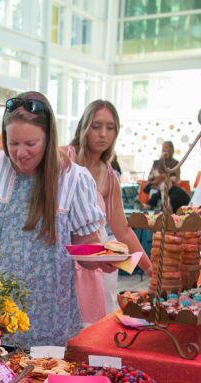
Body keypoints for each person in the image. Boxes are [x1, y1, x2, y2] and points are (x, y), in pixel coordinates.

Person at [0, 92, 111, 346]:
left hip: (51, 323)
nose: (20, 153)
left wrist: (106, 259)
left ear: (49, 138)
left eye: (31, 143)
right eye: (13, 143)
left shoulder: (73, 178)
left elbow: (87, 247)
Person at [67, 100, 152, 318]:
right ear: (84, 127)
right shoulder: (65, 159)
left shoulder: (110, 175)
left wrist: (150, 269)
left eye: (110, 128)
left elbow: (122, 230)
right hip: (64, 260)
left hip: (99, 261)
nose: (103, 134)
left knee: (94, 328)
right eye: (96, 126)